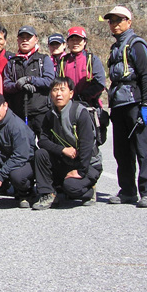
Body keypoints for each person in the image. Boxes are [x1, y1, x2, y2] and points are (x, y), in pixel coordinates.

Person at [103, 6, 147, 208]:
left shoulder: (137, 45)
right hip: (119, 105)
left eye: (119, 20)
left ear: (129, 22)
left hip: (135, 103)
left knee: (143, 149)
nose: (115, 24)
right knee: (122, 151)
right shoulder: (116, 47)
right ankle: (127, 191)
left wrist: (146, 104)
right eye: (111, 21)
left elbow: (146, 76)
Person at [32, 77, 102, 210]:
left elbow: (87, 145)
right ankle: (48, 194)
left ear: (71, 93)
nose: (58, 94)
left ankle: (89, 190)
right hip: (65, 159)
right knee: (41, 154)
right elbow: (43, 140)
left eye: (62, 90)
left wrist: (81, 171)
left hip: (87, 163)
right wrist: (62, 150)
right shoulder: (49, 115)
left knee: (71, 188)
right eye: (55, 90)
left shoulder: (80, 112)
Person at [2, 26, 55, 136]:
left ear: (36, 39)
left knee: (44, 145)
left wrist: (30, 79)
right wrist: (18, 85)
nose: (25, 40)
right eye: (22, 38)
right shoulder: (11, 63)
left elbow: (49, 81)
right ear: (17, 40)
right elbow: (6, 85)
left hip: (41, 112)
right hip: (18, 113)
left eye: (28, 37)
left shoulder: (44, 59)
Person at [56, 26, 106, 109]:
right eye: (72, 40)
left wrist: (83, 96)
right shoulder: (62, 62)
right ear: (67, 43)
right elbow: (57, 83)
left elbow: (100, 83)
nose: (75, 42)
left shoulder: (92, 59)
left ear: (84, 42)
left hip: (90, 105)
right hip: (68, 106)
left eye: (78, 39)